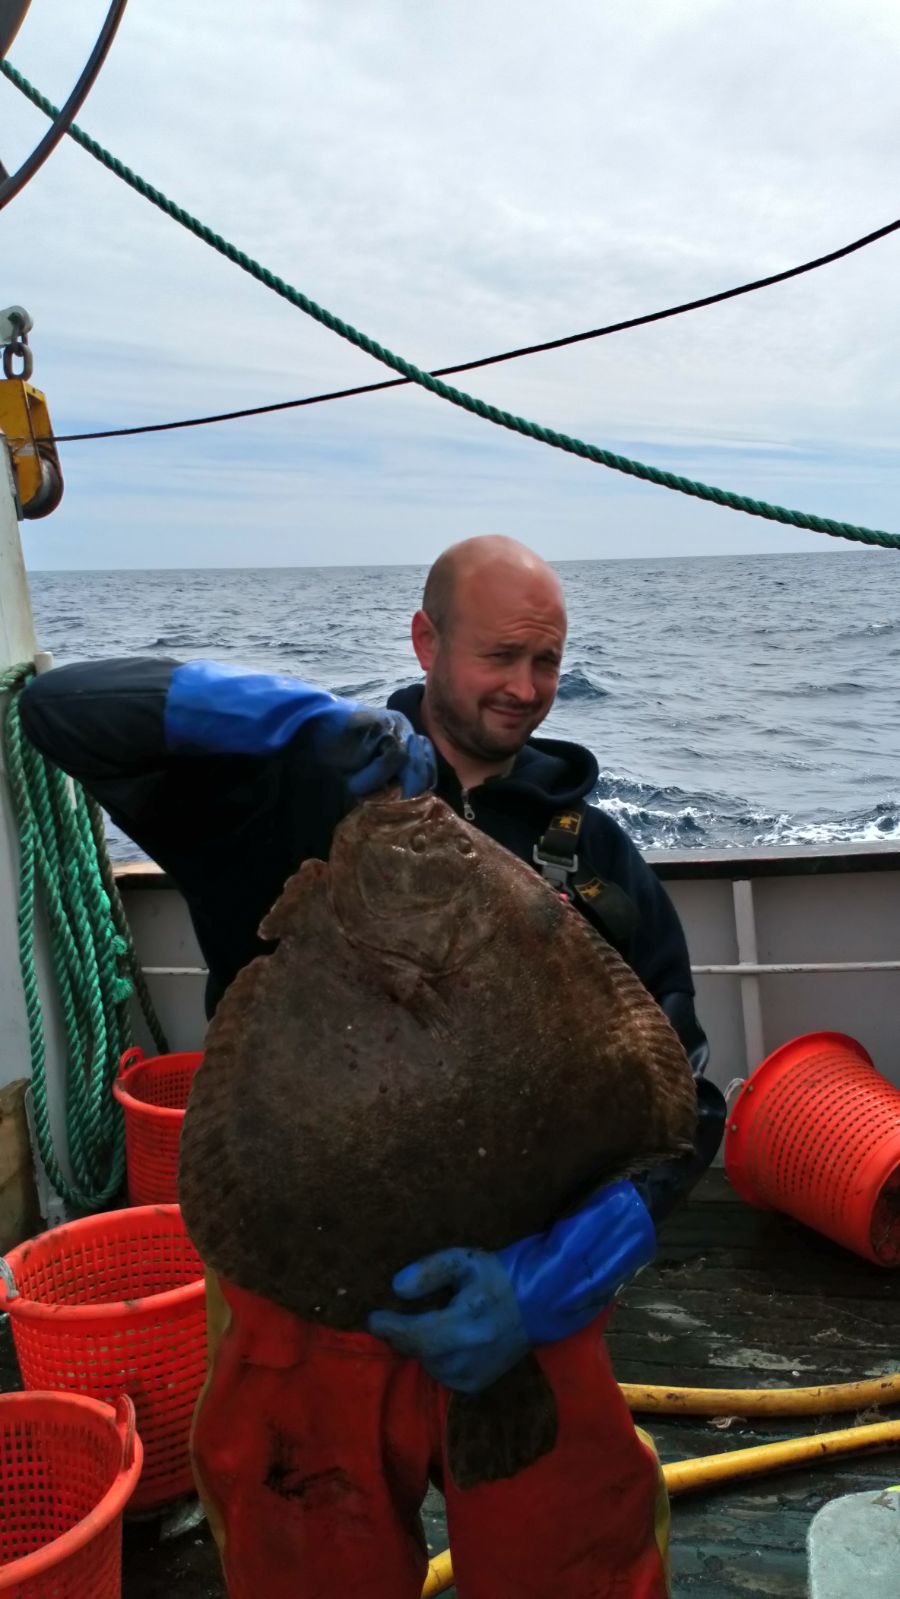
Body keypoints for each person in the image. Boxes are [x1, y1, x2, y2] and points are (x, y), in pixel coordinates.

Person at [20, 535, 725, 1599]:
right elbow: (60, 712)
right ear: (425, 641)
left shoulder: (596, 858)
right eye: (499, 657)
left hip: (525, 1293)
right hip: (298, 1283)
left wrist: (555, 1280)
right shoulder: (290, 791)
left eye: (547, 661)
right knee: (304, 1561)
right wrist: (289, 720)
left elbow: (681, 1099)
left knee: (577, 1555)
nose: (526, 689)